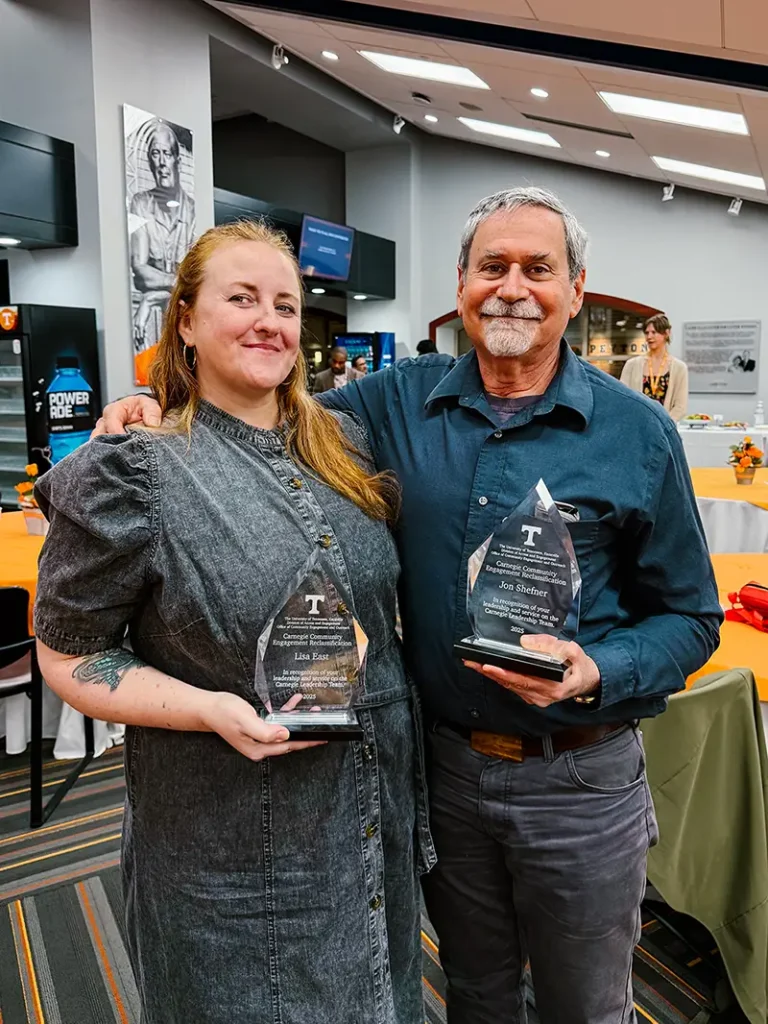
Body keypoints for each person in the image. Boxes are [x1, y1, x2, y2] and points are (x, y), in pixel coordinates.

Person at [98, 187, 722, 1024]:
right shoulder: (392, 402)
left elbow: (693, 618)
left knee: (587, 1006)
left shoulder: (639, 433)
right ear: (459, 282)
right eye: (491, 266)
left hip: (580, 778)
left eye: (538, 269)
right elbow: (262, 414)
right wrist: (159, 410)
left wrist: (597, 670)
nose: (512, 287)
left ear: (576, 290)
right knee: (474, 993)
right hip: (442, 775)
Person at [35, 220, 433, 1024]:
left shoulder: (344, 444)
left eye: (286, 305)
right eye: (241, 298)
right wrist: (211, 709)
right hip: (232, 848)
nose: (269, 321)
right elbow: (68, 657)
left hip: (369, 821)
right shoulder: (136, 467)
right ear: (184, 320)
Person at [130, 120, 196, 383]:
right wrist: (175, 287)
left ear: (177, 159)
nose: (160, 162)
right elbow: (141, 271)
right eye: (154, 154)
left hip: (180, 322)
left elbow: (197, 282)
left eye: (166, 153)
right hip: (150, 325)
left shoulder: (191, 210)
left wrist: (153, 297)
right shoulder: (140, 203)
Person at [620, 314, 688, 421]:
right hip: (637, 426)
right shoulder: (632, 365)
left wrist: (664, 426)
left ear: (666, 333)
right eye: (647, 333)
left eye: (654, 332)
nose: (649, 337)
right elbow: (622, 397)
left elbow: (680, 407)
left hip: (665, 429)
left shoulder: (679, 368)